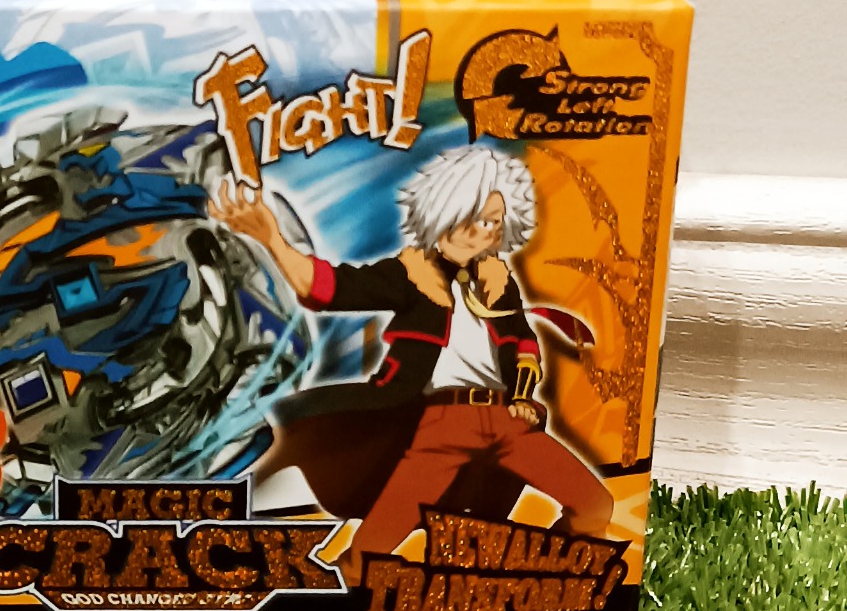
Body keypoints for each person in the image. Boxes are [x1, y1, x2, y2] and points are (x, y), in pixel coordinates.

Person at [209, 140, 613, 580]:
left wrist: (521, 396)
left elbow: (523, 346)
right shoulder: (411, 275)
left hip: (509, 421)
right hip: (442, 425)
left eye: (496, 222)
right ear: (447, 215)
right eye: (480, 218)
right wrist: (273, 239)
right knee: (371, 548)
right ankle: (342, 591)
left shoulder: (499, 284)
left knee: (594, 505)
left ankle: (540, 577)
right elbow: (325, 288)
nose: (489, 232)